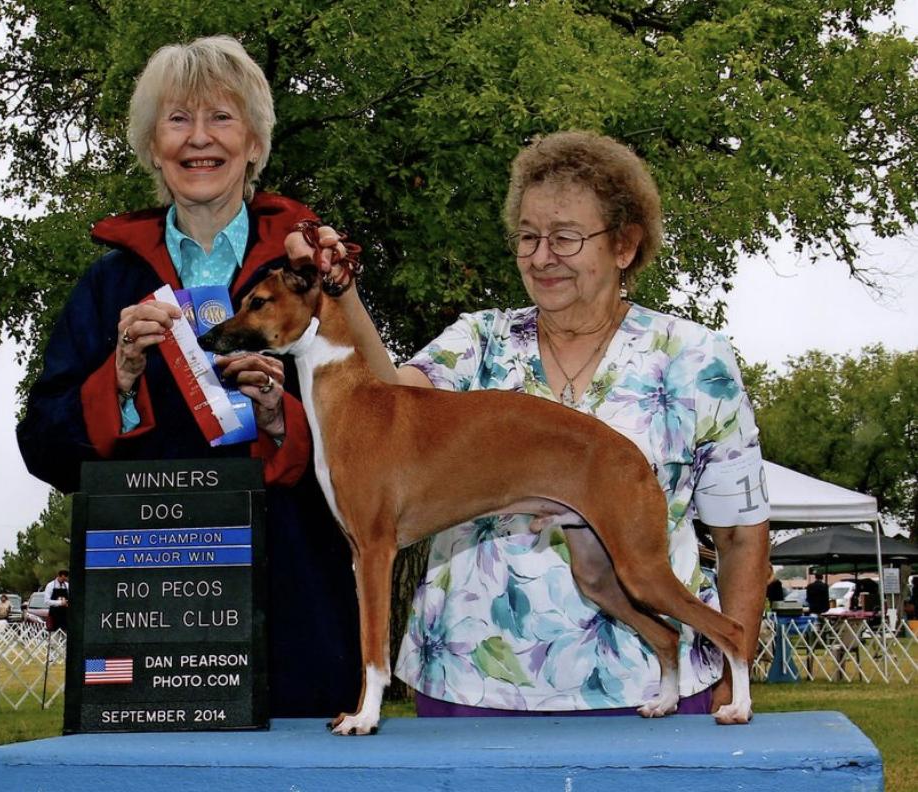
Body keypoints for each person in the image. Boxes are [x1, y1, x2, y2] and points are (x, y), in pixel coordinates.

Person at [318, 130, 771, 715]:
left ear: (625, 245)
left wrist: (738, 670)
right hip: (470, 681)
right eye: (527, 237)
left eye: (565, 237)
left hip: (644, 695)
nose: (540, 256)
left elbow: (740, 533)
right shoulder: (478, 341)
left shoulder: (694, 358)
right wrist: (344, 291)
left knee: (626, 576)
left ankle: (688, 653)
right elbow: (383, 399)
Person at [16, 36, 360, 715]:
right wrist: (115, 378)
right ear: (151, 145)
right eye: (178, 119)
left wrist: (279, 417)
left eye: (222, 118)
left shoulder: (316, 273)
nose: (199, 139)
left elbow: (375, 438)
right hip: (145, 619)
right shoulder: (106, 286)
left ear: (256, 143)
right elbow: (42, 446)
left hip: (297, 614)